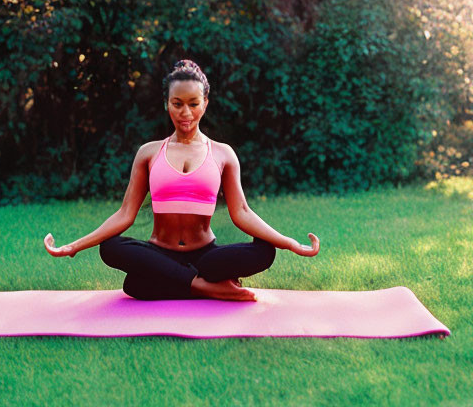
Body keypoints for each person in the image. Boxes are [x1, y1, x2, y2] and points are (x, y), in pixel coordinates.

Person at [44, 59, 320, 301]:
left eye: (193, 104)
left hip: (206, 257)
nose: (185, 113)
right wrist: (75, 246)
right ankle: (206, 287)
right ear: (166, 103)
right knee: (111, 248)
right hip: (159, 254)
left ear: (205, 103)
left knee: (264, 252)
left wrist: (289, 243)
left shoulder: (223, 154)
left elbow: (242, 213)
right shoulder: (149, 153)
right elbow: (125, 213)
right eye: (177, 104)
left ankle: (183, 281)